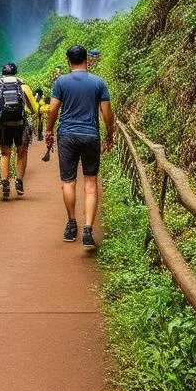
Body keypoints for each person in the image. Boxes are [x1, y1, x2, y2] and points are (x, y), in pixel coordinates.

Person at [45, 44, 114, 249]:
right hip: (90, 135)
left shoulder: (61, 82)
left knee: (68, 182)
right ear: (86, 59)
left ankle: (71, 223)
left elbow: (53, 109)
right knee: (91, 183)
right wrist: (110, 135)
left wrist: (49, 130)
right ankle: (87, 229)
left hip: (66, 135)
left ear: (68, 61)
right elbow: (107, 114)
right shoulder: (98, 83)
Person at [0, 63, 37, 200]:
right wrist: (31, 112)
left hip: (3, 125)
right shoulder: (22, 85)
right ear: (16, 72)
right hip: (19, 124)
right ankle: (19, 181)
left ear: (3, 73)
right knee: (21, 152)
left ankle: (5, 183)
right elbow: (32, 107)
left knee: (5, 153)